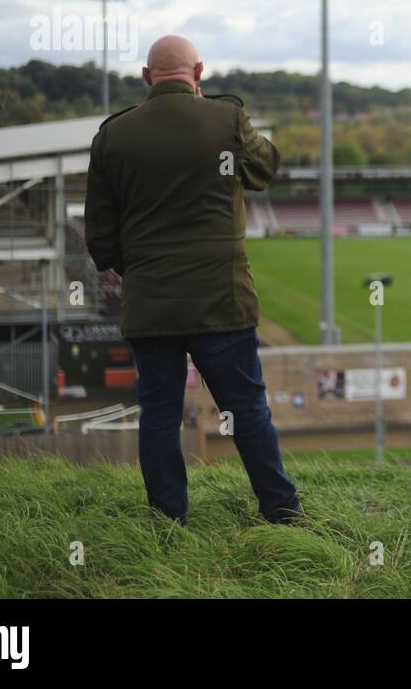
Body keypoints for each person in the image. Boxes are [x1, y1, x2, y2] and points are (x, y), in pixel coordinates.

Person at [84, 35, 302, 525]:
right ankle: (281, 510)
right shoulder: (226, 119)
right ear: (198, 73)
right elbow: (265, 170)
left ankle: (167, 519)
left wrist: (140, 271)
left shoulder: (113, 135)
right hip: (222, 302)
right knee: (246, 408)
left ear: (146, 78)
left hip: (151, 305)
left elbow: (98, 236)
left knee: (159, 414)